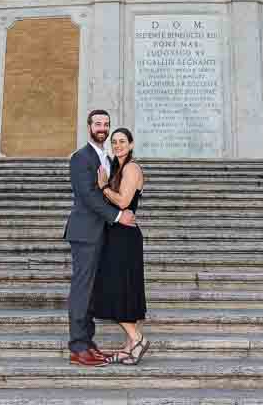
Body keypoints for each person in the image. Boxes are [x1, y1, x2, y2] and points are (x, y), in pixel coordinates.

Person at [64, 109, 137, 367]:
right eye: (97, 124)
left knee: (92, 291)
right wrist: (118, 217)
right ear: (88, 126)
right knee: (82, 290)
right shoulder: (81, 158)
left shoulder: (106, 157)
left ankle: (89, 343)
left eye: (106, 124)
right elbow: (88, 196)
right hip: (85, 233)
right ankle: (77, 347)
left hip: (101, 234)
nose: (102, 128)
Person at [93, 127, 148, 365]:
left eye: (122, 141)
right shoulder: (118, 167)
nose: (117, 145)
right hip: (117, 234)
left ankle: (138, 338)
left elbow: (124, 201)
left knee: (114, 289)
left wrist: (104, 187)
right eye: (114, 142)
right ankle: (129, 347)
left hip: (124, 237)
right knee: (125, 289)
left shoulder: (132, 168)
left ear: (132, 144)